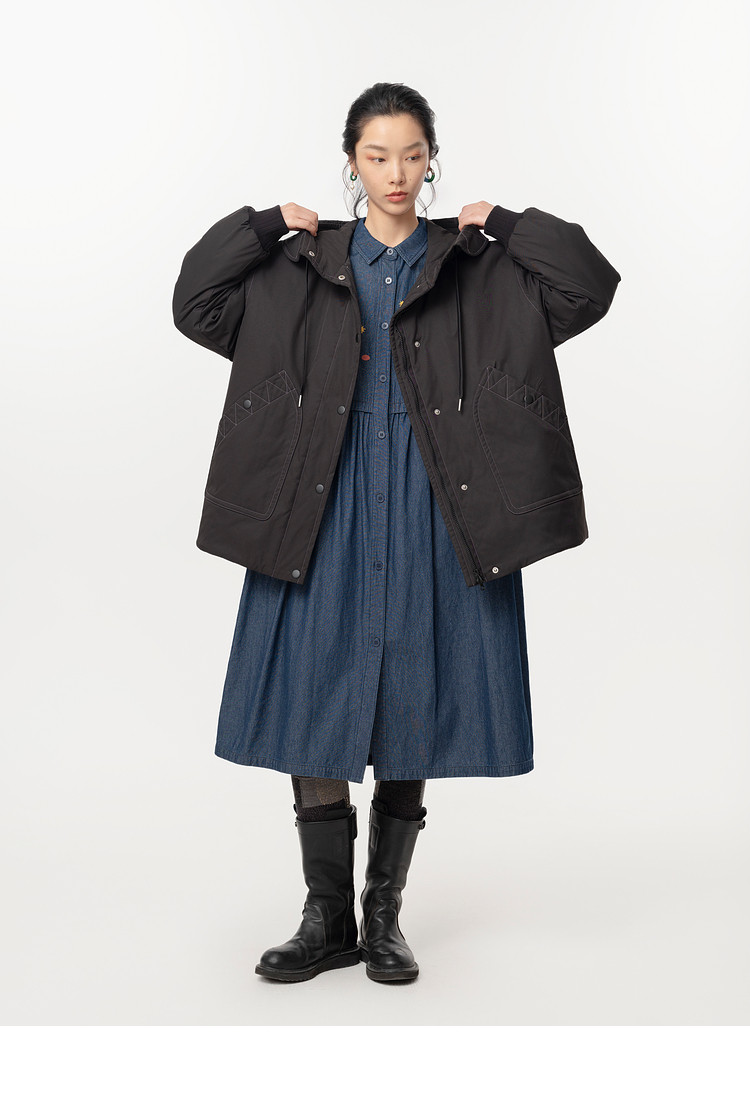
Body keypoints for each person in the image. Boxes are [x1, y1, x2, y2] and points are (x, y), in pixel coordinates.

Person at [172, 82, 621, 986]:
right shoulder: (299, 264)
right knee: (312, 699)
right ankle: (325, 917)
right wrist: (261, 226)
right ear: (352, 162)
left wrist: (510, 224)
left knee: (416, 693)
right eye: (378, 156)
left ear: (432, 161)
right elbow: (196, 303)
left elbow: (588, 285)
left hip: (436, 505)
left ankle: (383, 917)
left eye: (413, 155)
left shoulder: (476, 264)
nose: (397, 174)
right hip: (319, 507)